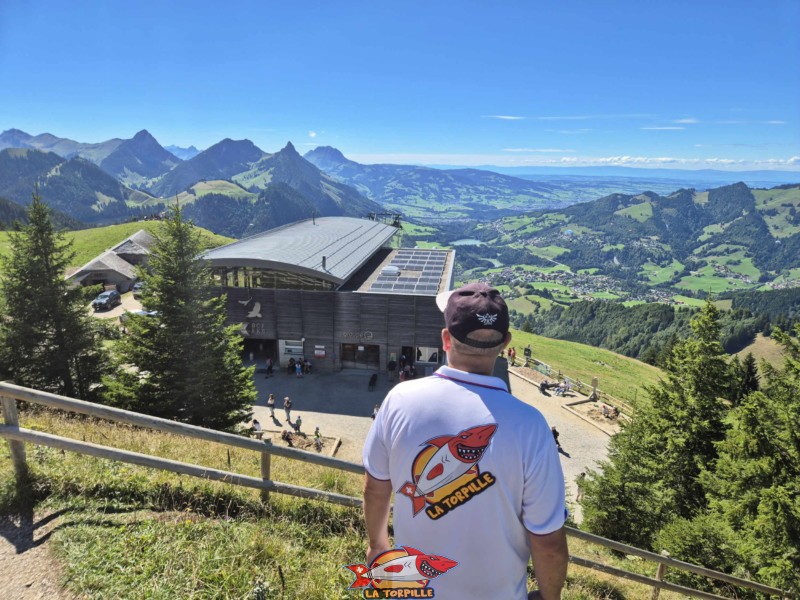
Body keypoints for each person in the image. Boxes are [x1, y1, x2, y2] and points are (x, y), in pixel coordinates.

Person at [363, 283, 568, 599]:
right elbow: (548, 542)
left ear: (446, 339)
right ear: (505, 345)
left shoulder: (399, 400)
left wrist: (378, 546)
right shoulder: (531, 425)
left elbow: (376, 489)